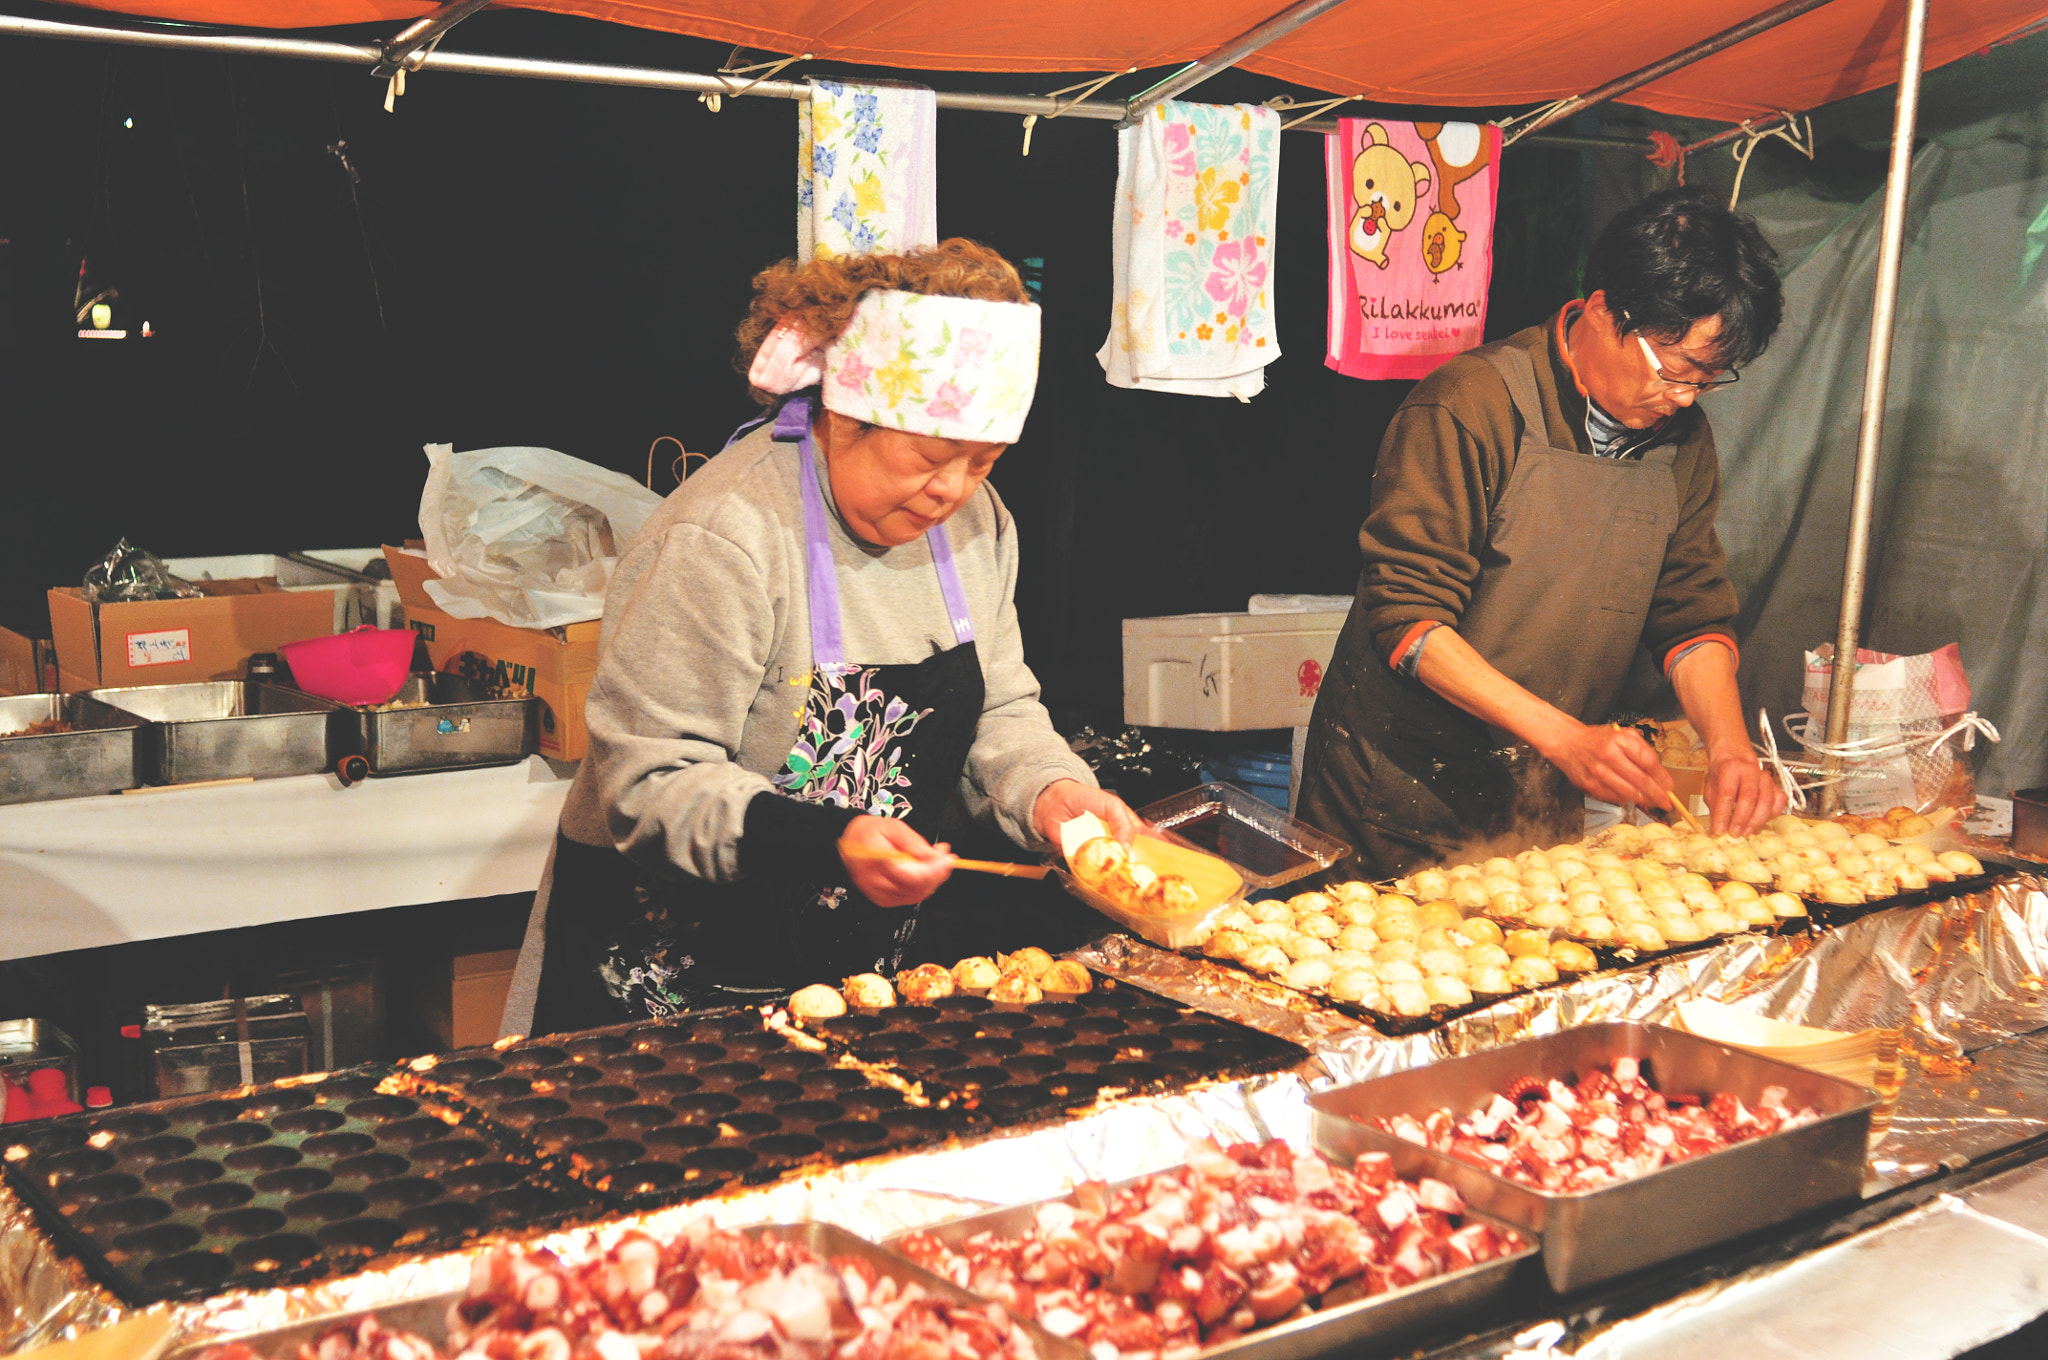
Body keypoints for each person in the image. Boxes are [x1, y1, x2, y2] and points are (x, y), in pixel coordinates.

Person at [521, 240, 1138, 1034]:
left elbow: (1002, 709)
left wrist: (1060, 798)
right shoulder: (724, 536)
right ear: (843, 416)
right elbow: (650, 781)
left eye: (983, 462)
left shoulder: (978, 529)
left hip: (845, 971)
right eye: (928, 456)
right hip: (666, 979)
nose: (951, 491)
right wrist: (830, 840)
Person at [1297, 187, 1789, 879]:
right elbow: (1408, 621)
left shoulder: (1682, 440)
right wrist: (1566, 738)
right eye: (1675, 372)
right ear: (1601, 311)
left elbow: (1690, 607)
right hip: (1398, 795)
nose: (1682, 399)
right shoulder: (1472, 405)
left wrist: (1730, 746)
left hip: (1540, 792)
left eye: (1706, 383)